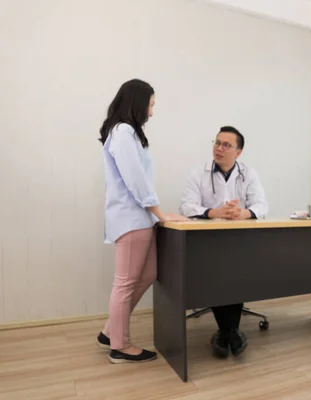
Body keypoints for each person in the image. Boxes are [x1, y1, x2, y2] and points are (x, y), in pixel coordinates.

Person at [96, 79, 188, 364]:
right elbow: (135, 180)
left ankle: (111, 331)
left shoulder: (130, 134)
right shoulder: (122, 132)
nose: (152, 112)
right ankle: (120, 346)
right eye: (150, 104)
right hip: (131, 219)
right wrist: (160, 213)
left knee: (148, 274)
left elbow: (141, 179)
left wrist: (155, 214)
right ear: (137, 103)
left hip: (140, 218)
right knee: (124, 283)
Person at [179, 125, 268, 358]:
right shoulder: (199, 173)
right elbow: (186, 206)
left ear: (238, 152)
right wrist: (214, 212)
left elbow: (261, 205)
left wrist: (243, 213)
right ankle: (231, 332)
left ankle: (225, 332)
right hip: (207, 242)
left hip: (239, 241)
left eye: (226, 145)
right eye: (217, 143)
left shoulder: (248, 173)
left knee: (235, 270)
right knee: (218, 270)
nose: (219, 148)